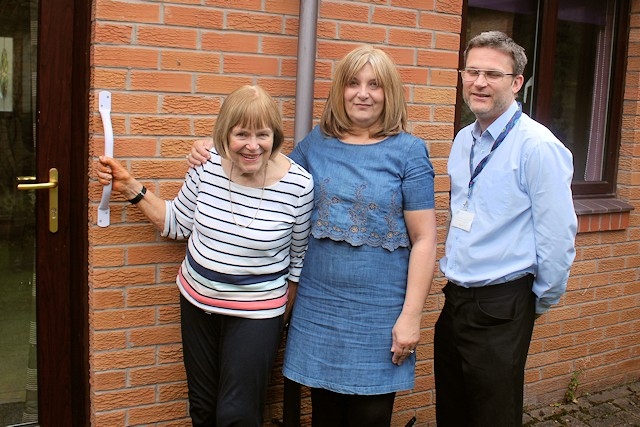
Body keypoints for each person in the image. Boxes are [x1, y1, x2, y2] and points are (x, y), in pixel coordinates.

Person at [187, 45, 437, 426]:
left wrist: (411, 317)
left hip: (379, 314)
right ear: (340, 90)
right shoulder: (316, 144)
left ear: (391, 93)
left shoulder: (409, 152)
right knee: (324, 415)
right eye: (353, 83)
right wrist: (210, 147)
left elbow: (425, 240)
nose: (363, 93)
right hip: (319, 309)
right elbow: (261, 167)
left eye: (375, 85)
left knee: (369, 416)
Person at [96, 85, 314, 427]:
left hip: (257, 316)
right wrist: (130, 188)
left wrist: (278, 320)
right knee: (203, 409)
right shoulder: (207, 166)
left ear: (276, 136)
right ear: (225, 134)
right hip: (197, 304)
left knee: (236, 416)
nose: (252, 145)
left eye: (263, 134)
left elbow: (298, 262)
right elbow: (177, 223)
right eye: (241, 134)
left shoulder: (299, 186)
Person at [435, 31, 578, 426]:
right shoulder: (464, 140)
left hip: (502, 305)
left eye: (493, 74)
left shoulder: (537, 146)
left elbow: (557, 236)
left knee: (493, 415)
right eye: (472, 71)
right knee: (453, 410)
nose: (479, 82)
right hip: (456, 298)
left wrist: (538, 301)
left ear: (516, 83)